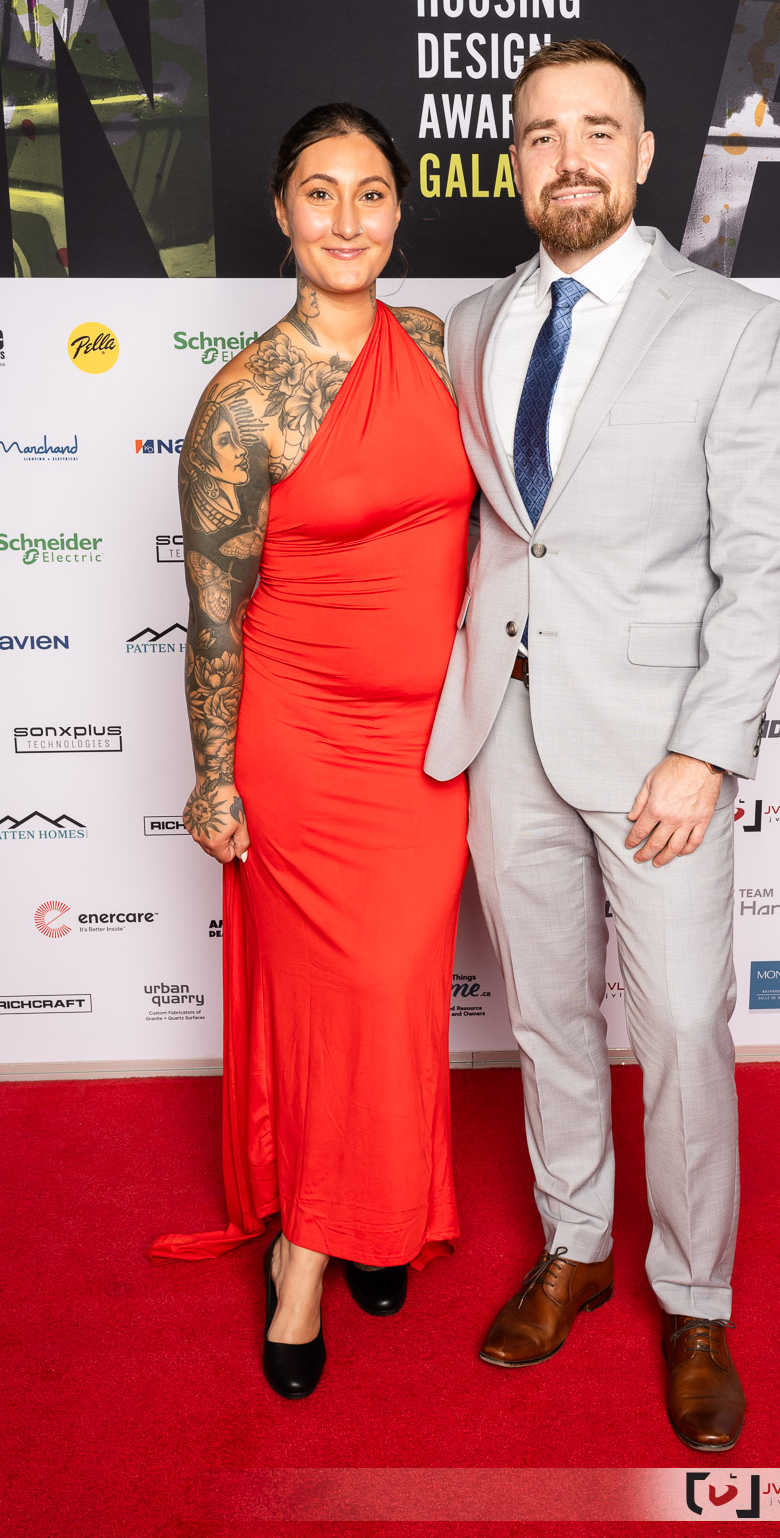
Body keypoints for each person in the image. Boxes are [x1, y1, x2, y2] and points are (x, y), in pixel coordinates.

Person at [424, 39, 780, 1450]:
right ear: (514, 162)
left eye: (599, 130)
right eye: (541, 134)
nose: (569, 157)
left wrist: (706, 753)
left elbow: (764, 562)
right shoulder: (473, 322)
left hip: (659, 746)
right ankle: (576, 1244)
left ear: (645, 154)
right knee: (544, 1014)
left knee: (684, 1024)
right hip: (506, 724)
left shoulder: (736, 326)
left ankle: (695, 1298)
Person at [150, 104, 475, 1403]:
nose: (348, 219)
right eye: (321, 192)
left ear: (399, 211)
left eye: (372, 192)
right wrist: (213, 776)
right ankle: (305, 1258)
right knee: (333, 1004)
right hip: (302, 744)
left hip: (431, 747)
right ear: (282, 212)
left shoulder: (442, 347)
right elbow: (213, 615)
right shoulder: (239, 403)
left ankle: (378, 1215)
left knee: (397, 1001)